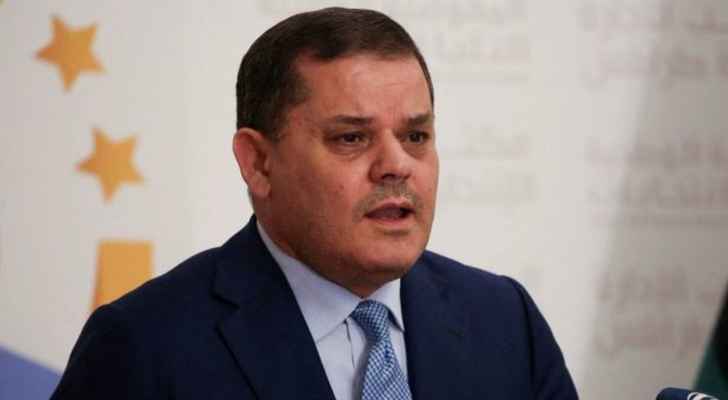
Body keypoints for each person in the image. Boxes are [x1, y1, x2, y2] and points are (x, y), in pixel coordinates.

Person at [51, 7, 578, 400]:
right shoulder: (143, 347)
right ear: (259, 163)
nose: (396, 165)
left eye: (416, 136)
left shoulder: (505, 321)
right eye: (352, 138)